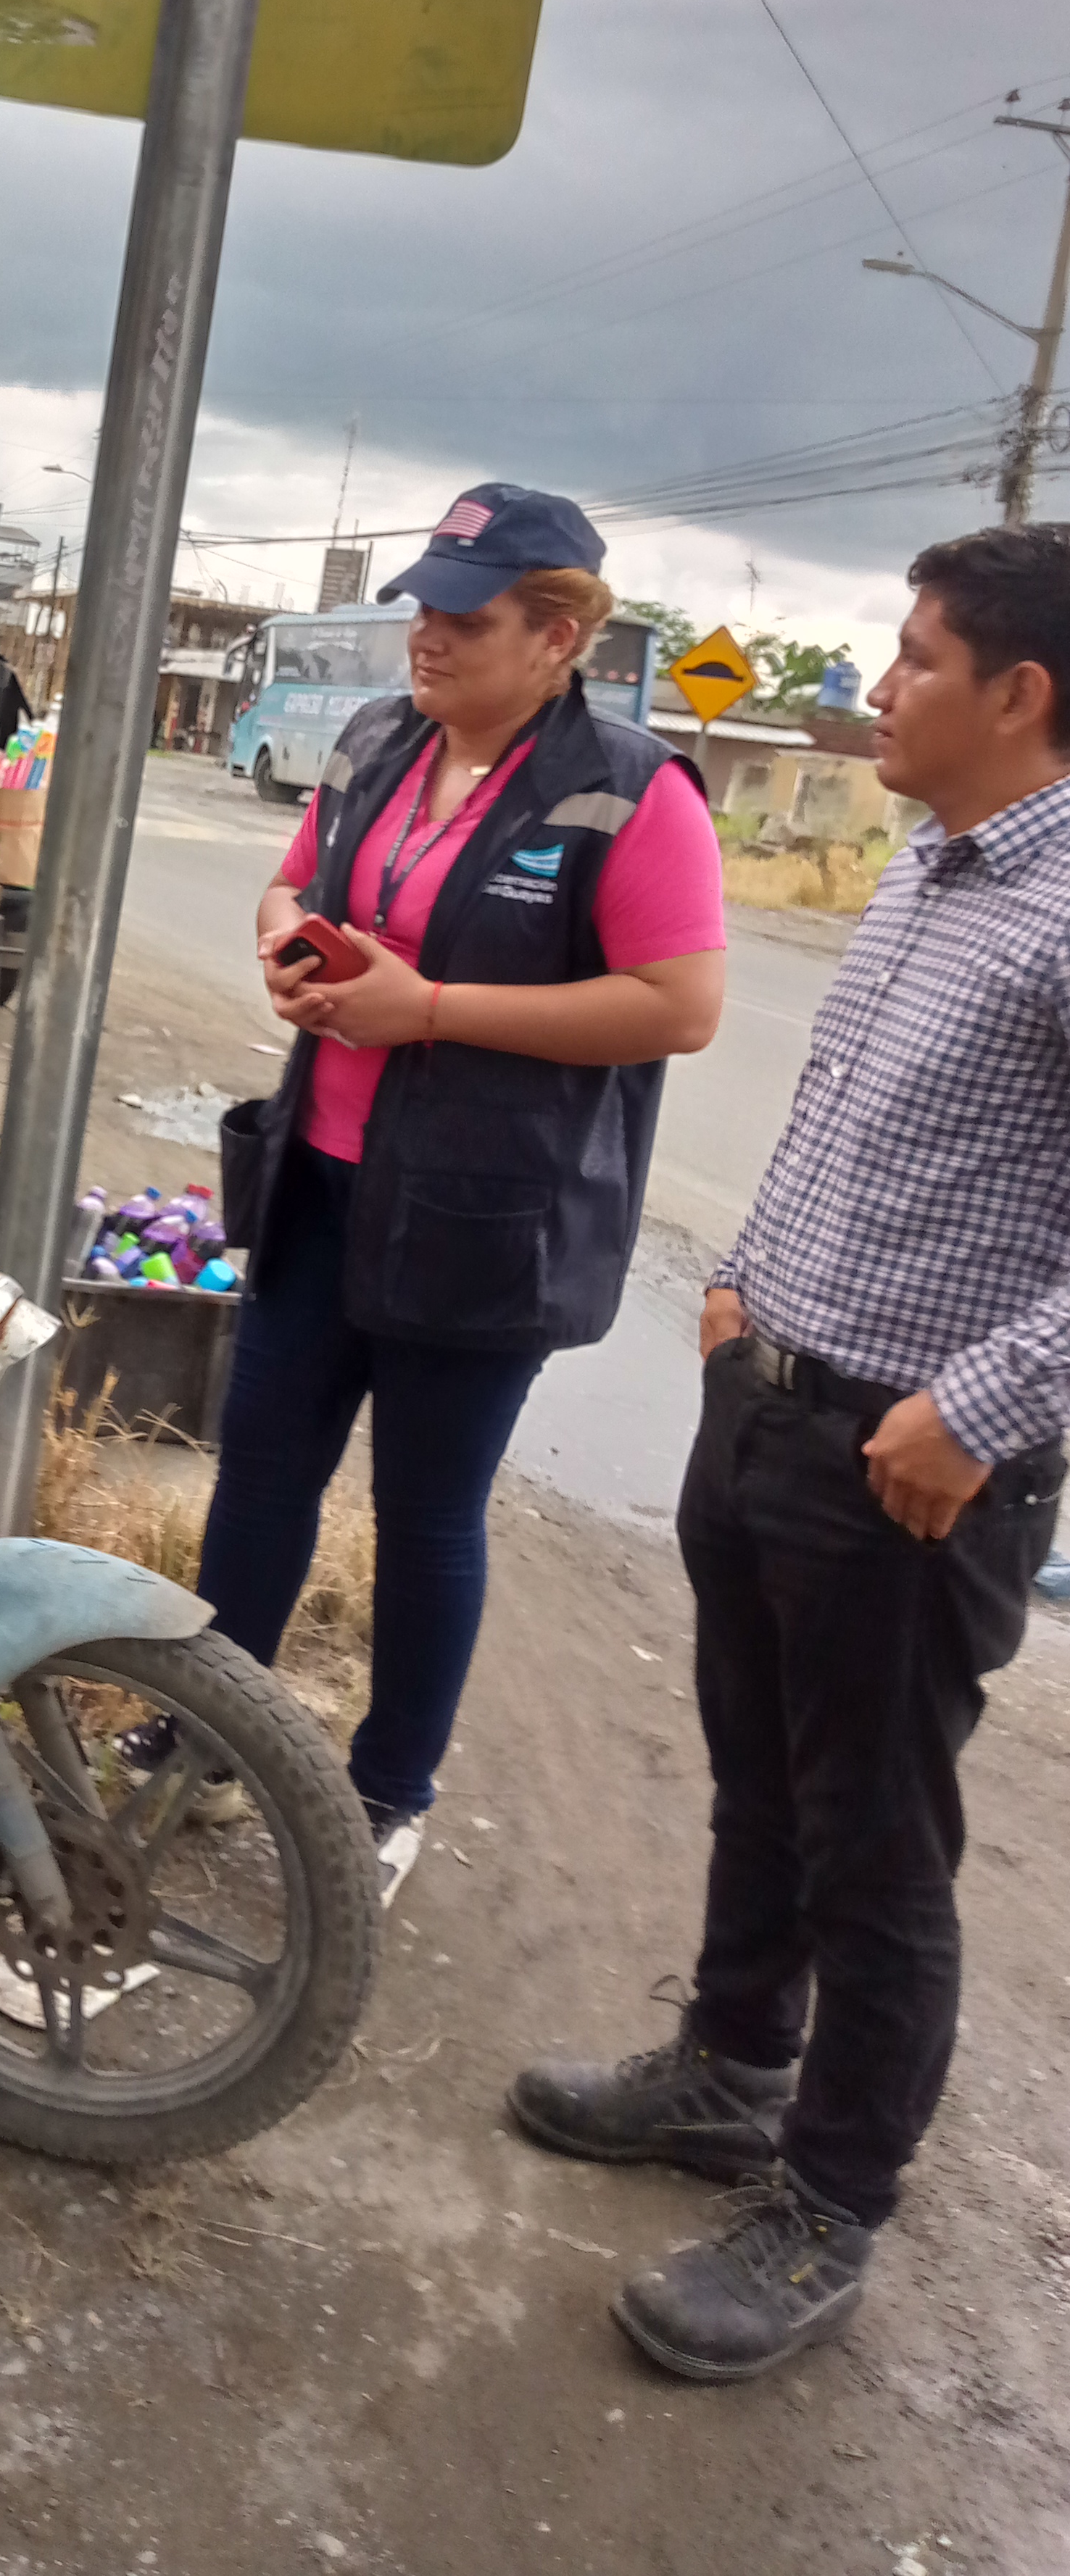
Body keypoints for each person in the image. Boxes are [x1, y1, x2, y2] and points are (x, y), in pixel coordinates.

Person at [510, 525, 1070, 2383]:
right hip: (770, 1406)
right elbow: (842, 1120)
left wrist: (975, 1413)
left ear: (1021, 693)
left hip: (912, 1471)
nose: (878, 686)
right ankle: (729, 2068)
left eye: (916, 658)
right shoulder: (925, 870)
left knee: (876, 1851)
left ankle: (829, 2203)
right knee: (761, 1782)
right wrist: (742, 1284)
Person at [176, 485, 725, 1901]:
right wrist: (290, 941)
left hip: (485, 1216)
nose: (428, 636)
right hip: (320, 1181)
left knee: (425, 1515)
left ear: (558, 637)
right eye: (423, 606)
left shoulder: (630, 790)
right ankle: (205, 1736)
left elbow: (678, 1005)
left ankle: (386, 1794)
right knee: (261, 1473)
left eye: (467, 618)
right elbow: (291, 882)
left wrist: (429, 1010)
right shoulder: (377, 740)